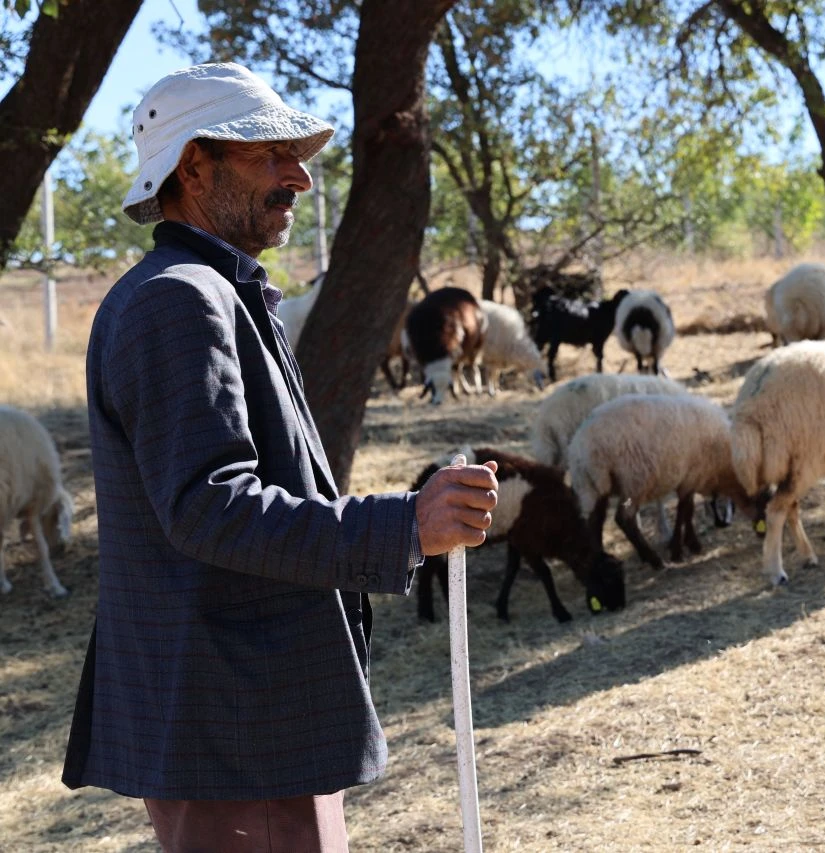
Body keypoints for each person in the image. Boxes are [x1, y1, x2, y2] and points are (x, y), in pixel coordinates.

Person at [62, 62, 498, 852]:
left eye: (298, 155)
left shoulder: (213, 291)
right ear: (194, 166)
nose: (299, 175)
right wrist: (405, 524)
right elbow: (209, 506)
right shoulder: (179, 299)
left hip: (242, 723)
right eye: (271, 154)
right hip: (236, 726)